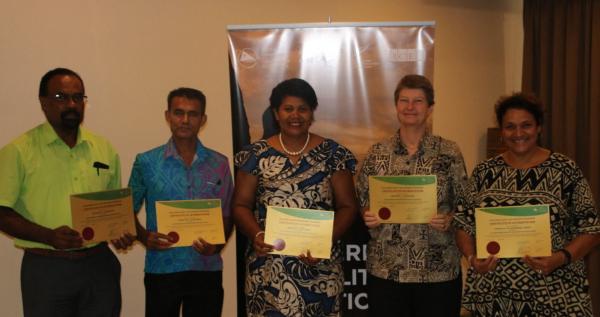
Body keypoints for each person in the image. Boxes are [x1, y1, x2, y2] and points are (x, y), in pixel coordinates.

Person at [0, 67, 135, 316]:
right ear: (44, 102)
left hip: (99, 266)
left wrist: (121, 231)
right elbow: (2, 213)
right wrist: (48, 236)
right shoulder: (18, 151)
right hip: (46, 268)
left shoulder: (104, 148)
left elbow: (114, 206)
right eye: (61, 97)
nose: (72, 104)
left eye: (78, 97)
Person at [454, 92, 600, 316]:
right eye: (510, 127)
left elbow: (591, 229)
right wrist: (472, 258)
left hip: (554, 293)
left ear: (539, 127)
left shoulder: (565, 169)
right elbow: (463, 223)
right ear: (502, 132)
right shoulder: (484, 172)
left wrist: (561, 258)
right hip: (494, 294)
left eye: (526, 125)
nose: (518, 133)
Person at [232, 78, 358, 316]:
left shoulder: (333, 154)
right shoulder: (254, 155)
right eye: (288, 108)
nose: (295, 115)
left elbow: (348, 206)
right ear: (276, 113)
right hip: (268, 270)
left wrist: (325, 241)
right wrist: (256, 234)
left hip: (320, 268)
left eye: (303, 108)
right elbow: (240, 205)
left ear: (312, 113)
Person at [356, 74, 467, 316]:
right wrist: (368, 215)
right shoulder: (377, 153)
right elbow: (363, 201)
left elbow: (465, 205)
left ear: (430, 108)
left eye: (418, 101)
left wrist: (449, 219)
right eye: (404, 100)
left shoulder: (448, 152)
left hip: (438, 270)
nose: (410, 107)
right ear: (396, 106)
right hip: (387, 270)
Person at [128, 87, 233, 317]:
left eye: (193, 114)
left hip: (206, 269)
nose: (185, 120)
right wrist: (144, 236)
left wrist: (217, 246)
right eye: (178, 112)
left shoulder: (220, 163)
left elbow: (227, 214)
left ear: (202, 119)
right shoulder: (146, 162)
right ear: (167, 116)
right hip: (162, 267)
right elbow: (126, 210)